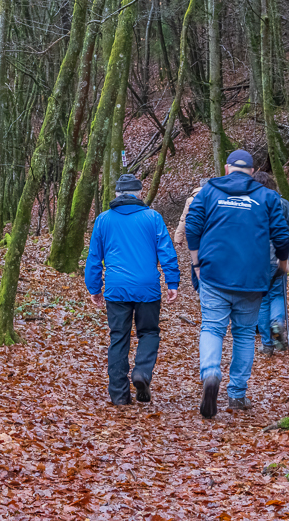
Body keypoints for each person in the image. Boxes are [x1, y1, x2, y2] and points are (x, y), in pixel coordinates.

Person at [185, 149, 289, 418]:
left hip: (214, 272)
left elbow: (192, 225)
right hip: (252, 278)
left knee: (212, 326)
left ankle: (210, 373)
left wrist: (196, 262)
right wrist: (282, 263)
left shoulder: (209, 190)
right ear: (253, 171)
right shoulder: (267, 196)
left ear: (227, 168)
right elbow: (281, 234)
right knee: (244, 334)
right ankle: (237, 394)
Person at [85, 173, 180, 405]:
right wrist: (172, 282)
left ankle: (119, 395)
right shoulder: (153, 218)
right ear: (139, 193)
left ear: (117, 194)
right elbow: (167, 252)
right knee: (148, 332)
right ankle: (142, 373)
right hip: (147, 288)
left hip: (116, 289)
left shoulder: (103, 220)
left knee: (119, 338)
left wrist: (94, 287)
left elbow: (94, 258)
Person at [252, 170, 289, 354]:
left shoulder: (250, 206)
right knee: (277, 295)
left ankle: (267, 344)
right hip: (279, 257)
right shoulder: (283, 204)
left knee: (261, 299)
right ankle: (277, 323)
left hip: (256, 259)